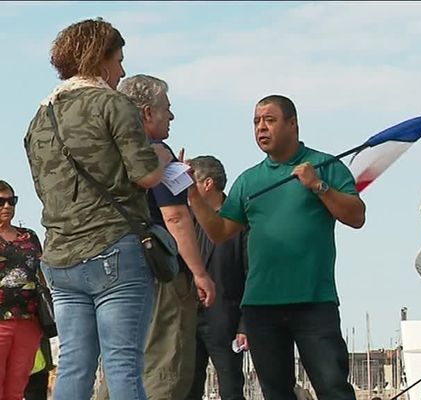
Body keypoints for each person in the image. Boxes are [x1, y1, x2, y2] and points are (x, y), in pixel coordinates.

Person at [24, 19, 170, 400]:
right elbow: (145, 176)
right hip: (112, 248)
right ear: (100, 60)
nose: (121, 71)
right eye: (118, 60)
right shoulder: (112, 103)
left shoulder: (40, 117)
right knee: (122, 364)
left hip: (59, 258)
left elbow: (44, 188)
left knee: (74, 364)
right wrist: (162, 158)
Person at [188, 94, 366, 400]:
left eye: (269, 120)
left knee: (333, 388)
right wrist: (192, 196)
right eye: (256, 122)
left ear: (292, 124)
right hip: (261, 307)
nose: (261, 128)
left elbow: (356, 216)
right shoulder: (248, 181)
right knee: (275, 393)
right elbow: (219, 232)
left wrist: (318, 186)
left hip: (313, 301)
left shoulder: (325, 166)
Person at [101, 74, 214, 400]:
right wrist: (200, 273)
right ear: (148, 113)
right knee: (166, 365)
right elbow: (175, 216)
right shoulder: (160, 155)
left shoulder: (106, 152)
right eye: (167, 109)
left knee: (119, 365)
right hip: (160, 274)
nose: (172, 116)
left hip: (112, 272)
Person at [185, 155, 248, 400]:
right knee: (187, 389)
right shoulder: (185, 220)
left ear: (208, 184)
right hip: (188, 318)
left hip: (226, 322)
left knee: (231, 390)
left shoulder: (238, 221)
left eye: (192, 182)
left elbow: (249, 273)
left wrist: (245, 325)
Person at [0, 181, 43, 400]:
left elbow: (42, 272)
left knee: (17, 388)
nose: (7, 206)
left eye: (11, 200)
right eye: (1, 201)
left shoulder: (29, 236)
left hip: (29, 319)